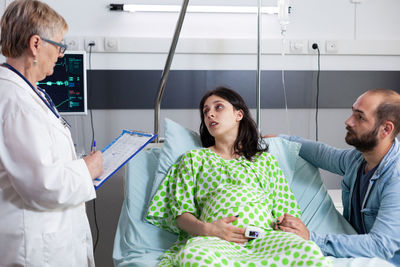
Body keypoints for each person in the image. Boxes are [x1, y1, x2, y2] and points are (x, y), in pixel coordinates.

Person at [146, 86, 332, 266]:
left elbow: (285, 210)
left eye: (218, 107)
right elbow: (181, 213)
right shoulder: (194, 159)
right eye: (205, 111)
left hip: (265, 238)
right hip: (214, 241)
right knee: (194, 257)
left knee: (308, 253)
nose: (210, 114)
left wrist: (285, 226)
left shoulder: (265, 161)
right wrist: (209, 229)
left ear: (239, 114)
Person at [0, 1, 103, 266]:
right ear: (36, 44)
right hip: (34, 248)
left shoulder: (25, 92)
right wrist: (87, 168)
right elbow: (43, 185)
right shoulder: (16, 103)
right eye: (58, 45)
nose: (60, 55)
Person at [275, 89, 400, 265]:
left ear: (386, 129)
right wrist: (280, 141)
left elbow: (381, 246)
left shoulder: (396, 177)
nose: (348, 121)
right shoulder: (358, 159)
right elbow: (323, 153)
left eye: (360, 117)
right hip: (357, 253)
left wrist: (311, 238)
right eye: (352, 112)